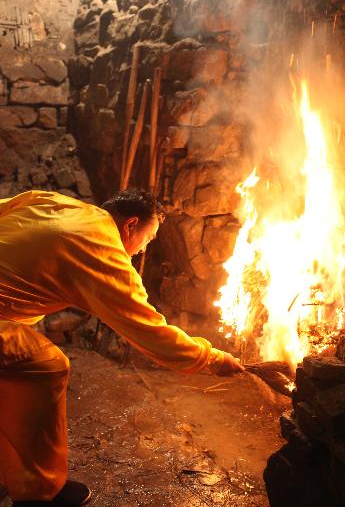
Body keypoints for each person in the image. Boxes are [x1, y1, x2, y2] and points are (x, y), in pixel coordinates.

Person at [0, 189, 244, 507]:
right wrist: (210, 358)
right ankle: (40, 493)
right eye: (148, 238)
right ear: (130, 225)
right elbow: (150, 331)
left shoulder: (59, 204)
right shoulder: (102, 251)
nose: (143, 249)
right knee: (45, 365)